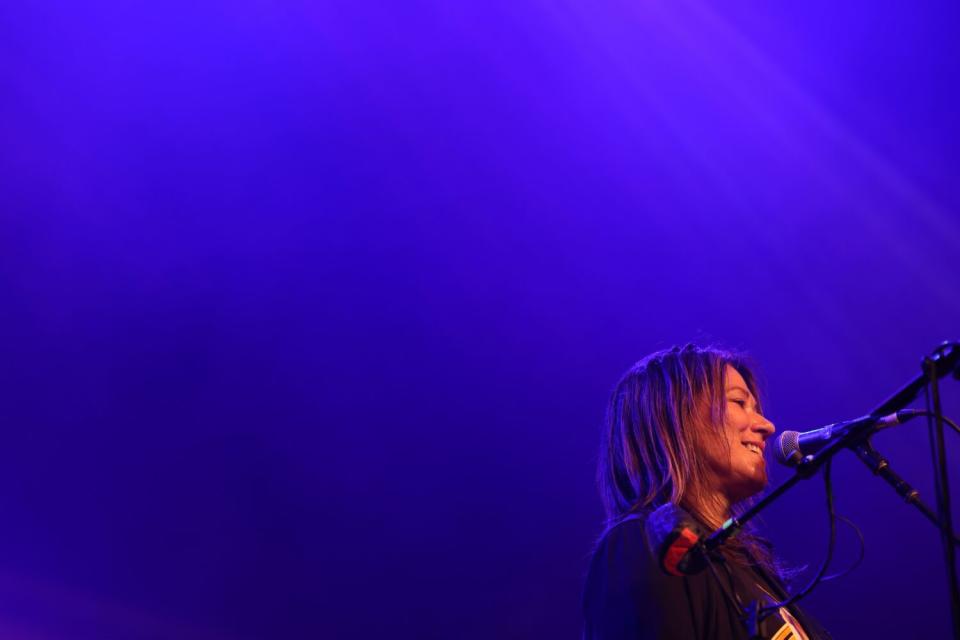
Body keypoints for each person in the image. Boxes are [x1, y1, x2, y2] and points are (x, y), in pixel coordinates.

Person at [582, 344, 829, 640]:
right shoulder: (644, 544)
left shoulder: (746, 568)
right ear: (674, 417)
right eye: (739, 402)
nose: (767, 425)